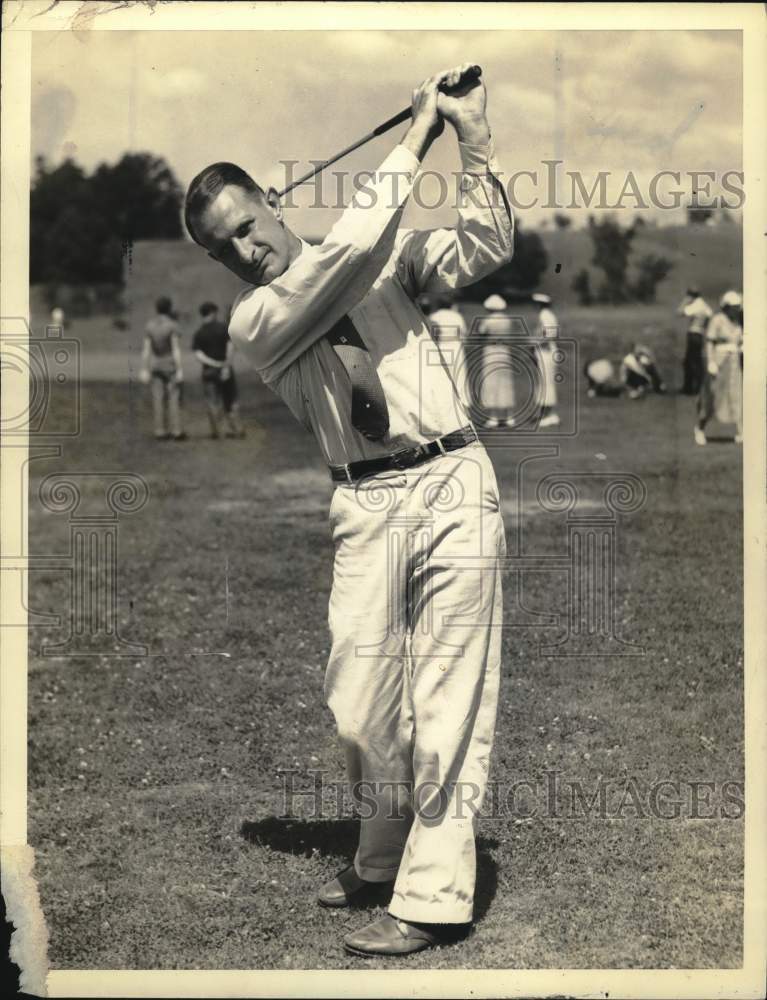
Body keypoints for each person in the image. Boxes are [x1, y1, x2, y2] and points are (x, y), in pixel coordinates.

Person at [184, 64, 512, 956]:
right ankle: (380, 849)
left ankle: (434, 897)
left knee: (448, 696)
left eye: (248, 226)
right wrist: (413, 137)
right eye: (226, 249)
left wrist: (469, 137)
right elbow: (351, 254)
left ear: (274, 203)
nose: (246, 251)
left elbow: (478, 249)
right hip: (363, 502)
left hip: (451, 479)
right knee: (359, 704)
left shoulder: (374, 258)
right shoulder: (263, 319)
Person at [694, 290, 743, 446]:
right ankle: (700, 429)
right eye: (734, 306)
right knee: (713, 397)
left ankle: (741, 431)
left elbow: (740, 340)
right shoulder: (718, 320)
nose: (736, 309)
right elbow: (710, 342)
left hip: (734, 364)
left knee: (736, 396)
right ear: (726, 307)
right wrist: (711, 362)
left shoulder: (738, 322)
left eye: (738, 306)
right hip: (719, 363)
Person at [192, 301, 245, 439]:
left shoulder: (199, 333)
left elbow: (199, 355)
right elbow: (230, 347)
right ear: (213, 313)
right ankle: (236, 429)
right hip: (225, 368)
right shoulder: (223, 328)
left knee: (212, 402)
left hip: (209, 371)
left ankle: (216, 432)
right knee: (231, 400)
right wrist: (225, 365)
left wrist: (213, 363)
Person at [140, 296, 186, 441]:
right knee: (173, 398)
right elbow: (175, 349)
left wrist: (144, 368)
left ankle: (160, 430)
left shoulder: (150, 325)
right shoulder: (172, 325)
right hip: (170, 365)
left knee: (158, 399)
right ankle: (176, 430)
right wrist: (179, 369)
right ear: (169, 308)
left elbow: (146, 350)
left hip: (156, 365)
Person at [476, 294, 516, 428]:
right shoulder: (507, 320)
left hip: (491, 350)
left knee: (490, 382)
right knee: (505, 382)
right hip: (504, 350)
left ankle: (492, 417)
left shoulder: (487, 320)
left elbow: (481, 333)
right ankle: (509, 416)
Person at [677, 286, 712, 395]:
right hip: (700, 334)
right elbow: (710, 315)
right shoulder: (704, 305)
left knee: (691, 362)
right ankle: (696, 387)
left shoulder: (695, 305)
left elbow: (680, 312)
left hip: (693, 333)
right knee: (695, 361)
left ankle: (691, 389)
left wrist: (685, 302)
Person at [532, 292, 560, 427]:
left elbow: (549, 336)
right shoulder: (549, 315)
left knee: (546, 382)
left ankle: (550, 414)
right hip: (547, 350)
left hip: (546, 351)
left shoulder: (544, 316)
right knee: (544, 382)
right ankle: (545, 413)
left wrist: (535, 343)